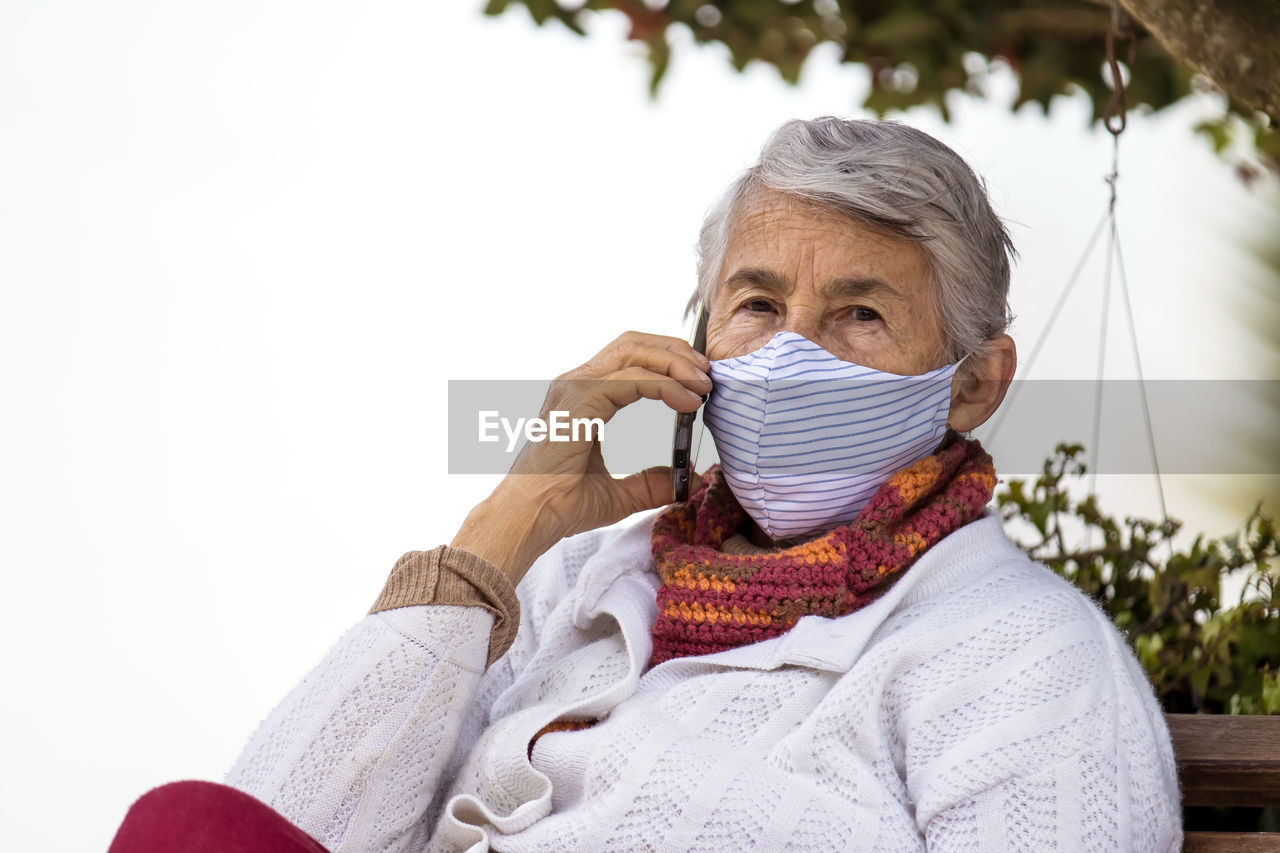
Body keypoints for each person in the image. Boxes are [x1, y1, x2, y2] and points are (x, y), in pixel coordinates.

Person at [112, 117, 1183, 852]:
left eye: (860, 314)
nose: (789, 354)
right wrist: (507, 525)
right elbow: (282, 822)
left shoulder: (1016, 650)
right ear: (697, 340)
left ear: (973, 383)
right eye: (756, 305)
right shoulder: (582, 578)